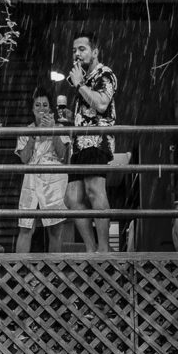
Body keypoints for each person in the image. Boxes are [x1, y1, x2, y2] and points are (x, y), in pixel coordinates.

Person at [64, 32, 117, 253]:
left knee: (95, 190)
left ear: (95, 52)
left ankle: (104, 249)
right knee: (72, 198)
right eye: (75, 50)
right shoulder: (83, 80)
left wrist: (78, 86)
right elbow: (88, 108)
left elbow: (102, 105)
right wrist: (70, 117)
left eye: (82, 49)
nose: (77, 54)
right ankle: (90, 249)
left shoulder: (105, 74)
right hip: (79, 143)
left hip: (97, 139)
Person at [15, 88, 69, 253]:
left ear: (50, 108)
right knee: (26, 228)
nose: (41, 108)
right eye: (37, 105)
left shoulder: (60, 127)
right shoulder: (26, 130)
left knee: (55, 230)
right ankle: (18, 271)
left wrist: (52, 131)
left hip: (54, 179)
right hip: (31, 179)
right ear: (32, 109)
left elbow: (63, 156)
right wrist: (33, 135)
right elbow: (24, 158)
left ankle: (54, 273)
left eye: (45, 105)